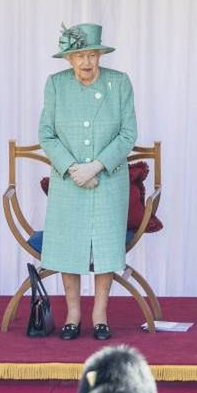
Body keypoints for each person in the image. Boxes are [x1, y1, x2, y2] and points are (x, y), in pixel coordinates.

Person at [38, 23, 137, 340]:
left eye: (92, 55)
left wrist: (96, 166)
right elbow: (47, 135)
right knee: (70, 245)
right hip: (68, 182)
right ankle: (72, 313)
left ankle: (100, 313)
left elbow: (128, 134)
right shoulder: (56, 85)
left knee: (106, 246)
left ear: (100, 56)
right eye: (79, 55)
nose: (86, 62)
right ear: (68, 59)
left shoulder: (119, 84)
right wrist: (71, 168)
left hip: (108, 180)